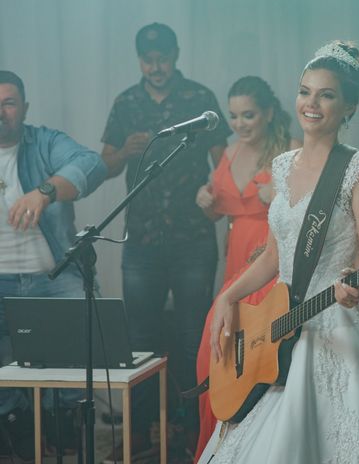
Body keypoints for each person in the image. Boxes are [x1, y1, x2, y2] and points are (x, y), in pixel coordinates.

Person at [198, 41, 359, 463]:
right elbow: (275, 257)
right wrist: (229, 296)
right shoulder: (282, 165)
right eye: (305, 91)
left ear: (349, 107)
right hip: (280, 326)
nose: (311, 103)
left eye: (326, 94)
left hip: (337, 326)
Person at [100, 23, 232, 460]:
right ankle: (138, 432)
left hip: (193, 236)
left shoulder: (199, 99)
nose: (156, 67)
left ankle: (195, 431)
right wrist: (124, 153)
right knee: (140, 340)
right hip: (141, 239)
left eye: (163, 58)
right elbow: (106, 164)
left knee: (195, 336)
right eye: (148, 59)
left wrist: (225, 197)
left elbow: (224, 161)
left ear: (176, 54)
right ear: (139, 59)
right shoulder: (126, 102)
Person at [0, 70, 107, 460]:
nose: (1, 112)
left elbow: (91, 164)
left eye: (9, 103)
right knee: (5, 394)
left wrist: (45, 191)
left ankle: (68, 448)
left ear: (24, 108)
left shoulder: (44, 142)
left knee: (71, 386)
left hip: (53, 278)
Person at [193, 75, 300, 459]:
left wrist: (280, 196)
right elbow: (220, 210)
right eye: (234, 116)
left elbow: (308, 213)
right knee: (216, 352)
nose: (240, 124)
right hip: (234, 256)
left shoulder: (290, 151)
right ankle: (221, 446)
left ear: (269, 113)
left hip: (267, 258)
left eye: (249, 115)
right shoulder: (230, 153)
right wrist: (207, 204)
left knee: (252, 353)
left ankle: (255, 447)